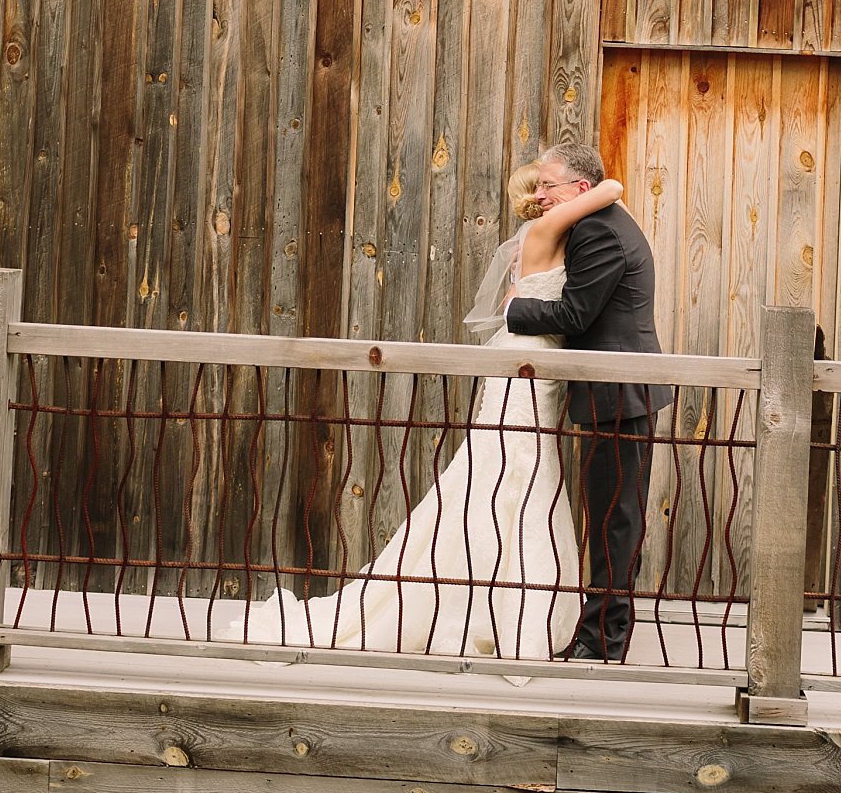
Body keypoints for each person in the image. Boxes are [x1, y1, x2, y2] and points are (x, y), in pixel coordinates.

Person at [211, 163, 627, 675]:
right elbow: (608, 190)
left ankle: (506, 604)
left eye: (549, 186)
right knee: (504, 476)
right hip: (523, 367)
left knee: (523, 482)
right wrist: (609, 188)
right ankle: (486, 610)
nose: (544, 196)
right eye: (538, 188)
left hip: (539, 368)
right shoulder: (546, 229)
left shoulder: (562, 233)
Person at [501, 141, 667, 663]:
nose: (540, 194)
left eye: (548, 184)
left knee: (615, 520)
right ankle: (600, 633)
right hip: (615, 392)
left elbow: (575, 316)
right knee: (611, 517)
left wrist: (515, 310)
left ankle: (604, 643)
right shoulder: (604, 219)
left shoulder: (597, 230)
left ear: (579, 188)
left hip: (619, 394)